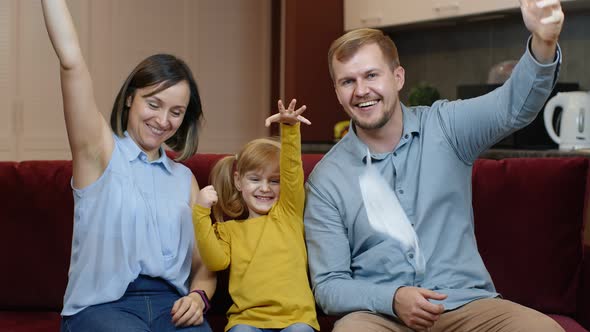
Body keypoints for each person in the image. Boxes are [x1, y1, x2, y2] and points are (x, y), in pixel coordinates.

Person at [304, 0, 566, 331]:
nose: (361, 91)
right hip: (381, 317)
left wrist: (543, 41)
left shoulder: (446, 126)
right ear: (337, 92)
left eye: (371, 75)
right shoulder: (326, 180)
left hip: (465, 304)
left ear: (397, 77)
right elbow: (329, 286)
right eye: (347, 81)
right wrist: (393, 297)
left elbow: (512, 106)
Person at [41, 1, 215, 331]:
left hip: (171, 307)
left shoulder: (184, 179)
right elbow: (71, 62)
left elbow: (204, 265)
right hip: (101, 308)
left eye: (176, 112)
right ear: (130, 98)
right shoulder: (99, 153)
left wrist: (198, 298)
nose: (163, 120)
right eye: (154, 104)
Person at [193, 99, 320, 332]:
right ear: (238, 181)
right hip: (247, 320)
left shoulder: (289, 215)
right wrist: (201, 213)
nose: (265, 188)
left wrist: (290, 129)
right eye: (255, 179)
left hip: (297, 319)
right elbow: (214, 261)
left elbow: (292, 170)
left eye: (274, 181)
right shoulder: (229, 230)